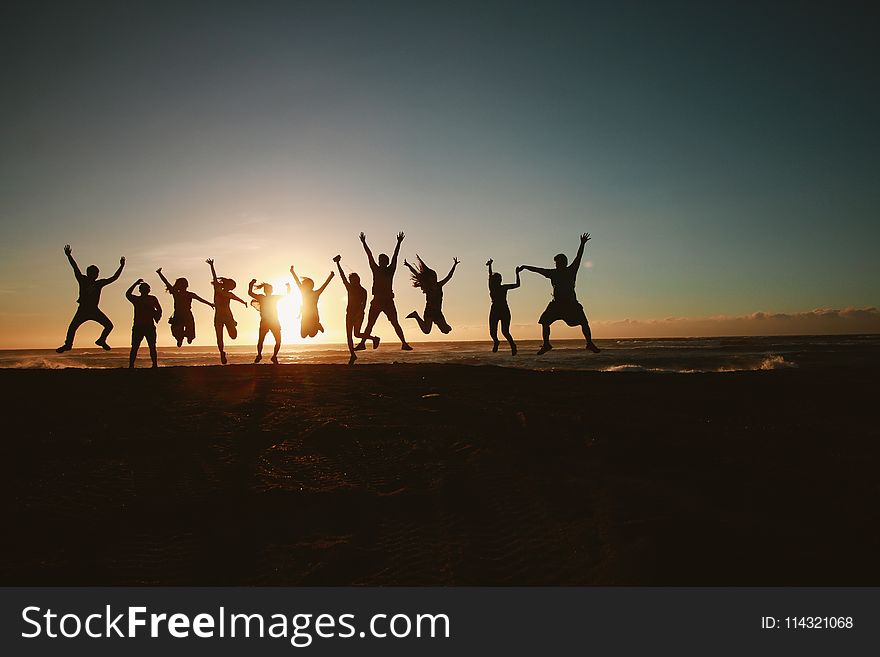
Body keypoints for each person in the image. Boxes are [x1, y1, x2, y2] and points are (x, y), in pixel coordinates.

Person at [520, 233, 601, 355]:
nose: (556, 264)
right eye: (556, 263)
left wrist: (582, 244)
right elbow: (538, 270)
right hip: (557, 304)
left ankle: (589, 343)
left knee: (584, 323)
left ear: (563, 262)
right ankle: (546, 344)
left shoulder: (571, 270)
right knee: (544, 321)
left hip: (570, 303)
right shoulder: (553, 273)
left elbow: (578, 257)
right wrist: (526, 267)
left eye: (558, 262)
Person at [56, 244, 125, 352]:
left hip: (94, 310)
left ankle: (101, 340)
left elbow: (114, 278)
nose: (96, 274)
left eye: (96, 273)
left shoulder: (99, 283)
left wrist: (121, 266)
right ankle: (68, 345)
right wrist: (69, 256)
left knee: (109, 325)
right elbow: (75, 268)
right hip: (83, 309)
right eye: (94, 273)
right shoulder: (82, 279)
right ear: (89, 273)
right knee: (72, 328)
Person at [355, 231, 412, 351]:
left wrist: (399, 243)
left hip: (388, 301)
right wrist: (364, 243)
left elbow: (395, 256)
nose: (380, 262)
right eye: (379, 260)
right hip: (377, 300)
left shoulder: (390, 270)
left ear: (386, 262)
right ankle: (362, 344)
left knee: (395, 323)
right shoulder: (375, 269)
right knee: (370, 324)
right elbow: (369, 256)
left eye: (382, 260)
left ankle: (404, 343)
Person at [334, 254, 379, 365]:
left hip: (358, 314)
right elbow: (342, 276)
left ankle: (374, 339)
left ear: (359, 279)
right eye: (353, 280)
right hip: (349, 314)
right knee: (349, 336)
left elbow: (364, 305)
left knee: (357, 334)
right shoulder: (349, 288)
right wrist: (338, 263)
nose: (355, 281)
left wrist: (359, 314)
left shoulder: (363, 290)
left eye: (356, 279)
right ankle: (353, 356)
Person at [156, 268, 214, 347]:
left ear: (186, 285)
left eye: (184, 284)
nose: (183, 286)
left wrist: (210, 304)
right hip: (179, 315)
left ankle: (186, 337)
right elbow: (166, 282)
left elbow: (200, 299)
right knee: (176, 331)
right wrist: (159, 273)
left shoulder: (189, 294)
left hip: (186, 314)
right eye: (182, 284)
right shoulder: (176, 293)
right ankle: (180, 339)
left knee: (189, 332)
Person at [403, 255, 459, 335]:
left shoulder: (439, 285)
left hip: (438, 312)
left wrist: (454, 265)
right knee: (426, 331)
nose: (433, 279)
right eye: (432, 277)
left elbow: (449, 276)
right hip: (429, 311)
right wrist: (408, 265)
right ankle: (415, 315)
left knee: (446, 331)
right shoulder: (427, 286)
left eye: (434, 277)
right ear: (429, 278)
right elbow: (417, 274)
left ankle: (444, 326)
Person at [206, 258, 247, 364]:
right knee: (219, 337)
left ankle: (233, 324)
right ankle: (221, 353)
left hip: (228, 317)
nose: (231, 289)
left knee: (233, 336)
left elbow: (237, 298)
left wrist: (244, 303)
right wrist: (211, 266)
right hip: (218, 317)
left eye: (232, 288)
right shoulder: (218, 290)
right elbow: (214, 278)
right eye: (231, 286)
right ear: (227, 285)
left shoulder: (229, 294)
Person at [248, 279, 289, 364]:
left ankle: (273, 357)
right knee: (262, 340)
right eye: (269, 289)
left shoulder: (272, 297)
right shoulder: (262, 297)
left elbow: (287, 295)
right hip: (266, 322)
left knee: (277, 341)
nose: (270, 291)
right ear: (266, 290)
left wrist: (288, 288)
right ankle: (259, 355)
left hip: (273, 321)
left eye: (270, 289)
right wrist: (251, 284)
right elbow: (250, 293)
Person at [486, 259, 521, 355]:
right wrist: (490, 266)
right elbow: (489, 275)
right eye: (495, 279)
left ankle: (513, 346)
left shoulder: (504, 287)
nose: (497, 281)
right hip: (495, 309)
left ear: (500, 280)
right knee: (492, 332)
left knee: (505, 331)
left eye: (498, 279)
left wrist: (517, 274)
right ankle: (496, 342)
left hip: (504, 310)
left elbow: (517, 285)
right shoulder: (492, 287)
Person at [125, 278, 162, 368]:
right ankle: (131, 365)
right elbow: (127, 294)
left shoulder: (152, 299)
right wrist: (135, 283)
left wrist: (157, 317)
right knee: (136, 347)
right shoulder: (137, 299)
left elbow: (159, 310)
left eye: (147, 289)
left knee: (151, 346)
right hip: (139, 326)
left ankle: (154, 364)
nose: (146, 290)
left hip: (148, 326)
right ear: (141, 290)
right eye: (145, 289)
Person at [290, 265, 334, 339]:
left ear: (311, 286)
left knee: (312, 335)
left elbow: (324, 285)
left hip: (313, 317)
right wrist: (292, 272)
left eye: (305, 285)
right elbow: (297, 281)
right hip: (305, 316)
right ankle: (316, 326)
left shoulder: (316, 293)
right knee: (303, 335)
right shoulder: (303, 292)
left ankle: (317, 325)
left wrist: (331, 276)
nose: (303, 286)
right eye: (303, 285)